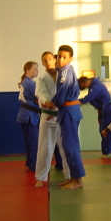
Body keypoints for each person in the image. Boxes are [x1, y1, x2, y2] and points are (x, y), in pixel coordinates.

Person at [44, 45, 85, 189]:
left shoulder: (65, 72)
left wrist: (52, 103)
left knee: (70, 145)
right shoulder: (65, 70)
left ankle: (77, 180)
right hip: (67, 110)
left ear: (70, 59)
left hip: (69, 110)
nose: (61, 59)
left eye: (64, 57)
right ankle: (74, 177)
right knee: (69, 145)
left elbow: (61, 93)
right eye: (59, 56)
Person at [34, 51, 70, 187]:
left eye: (50, 59)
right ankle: (40, 177)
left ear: (54, 60)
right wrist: (46, 101)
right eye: (45, 60)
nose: (48, 62)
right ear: (42, 63)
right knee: (45, 147)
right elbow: (41, 92)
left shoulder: (63, 74)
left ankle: (70, 176)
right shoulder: (41, 77)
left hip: (63, 115)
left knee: (66, 147)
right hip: (48, 115)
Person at [79, 76, 111, 158]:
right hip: (104, 109)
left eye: (83, 86)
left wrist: (80, 101)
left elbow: (90, 97)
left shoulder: (96, 86)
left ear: (85, 82)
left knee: (104, 130)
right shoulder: (94, 85)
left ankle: (106, 152)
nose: (84, 88)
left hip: (106, 109)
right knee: (107, 129)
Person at [17, 61, 40, 172]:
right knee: (33, 142)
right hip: (29, 116)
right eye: (35, 69)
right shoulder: (29, 84)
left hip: (27, 114)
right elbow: (39, 97)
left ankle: (31, 162)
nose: (37, 71)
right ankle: (33, 164)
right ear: (27, 70)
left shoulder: (27, 82)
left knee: (30, 141)